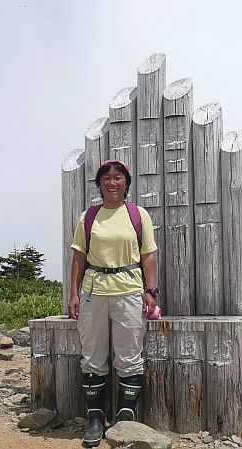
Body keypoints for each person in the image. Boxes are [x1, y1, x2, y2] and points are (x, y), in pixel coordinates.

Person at [68, 160, 158, 448]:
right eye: (106, 177)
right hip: (94, 292)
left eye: (118, 177)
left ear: (126, 183)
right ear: (100, 184)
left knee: (130, 355)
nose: (112, 182)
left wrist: (151, 290)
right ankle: (95, 419)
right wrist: (73, 294)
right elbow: (79, 257)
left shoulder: (137, 214)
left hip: (130, 290)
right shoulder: (89, 216)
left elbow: (148, 255)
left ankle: (125, 417)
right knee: (92, 356)